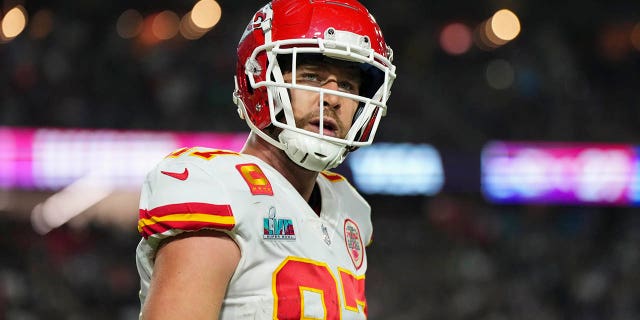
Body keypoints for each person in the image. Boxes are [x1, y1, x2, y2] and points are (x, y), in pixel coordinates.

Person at [135, 0, 396, 318]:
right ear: (258, 82)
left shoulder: (349, 208)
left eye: (346, 84)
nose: (334, 99)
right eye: (312, 77)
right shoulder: (218, 188)